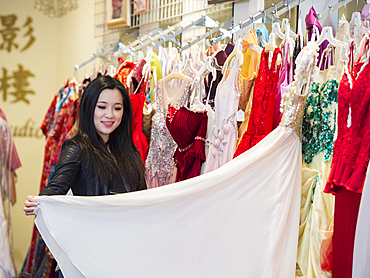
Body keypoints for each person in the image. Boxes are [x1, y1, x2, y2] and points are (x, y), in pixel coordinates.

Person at [23, 75, 147, 277]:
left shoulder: (130, 152)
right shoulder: (77, 147)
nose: (110, 115)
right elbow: (55, 191)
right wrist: (39, 202)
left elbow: (143, 199)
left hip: (125, 253)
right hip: (88, 258)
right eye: (102, 107)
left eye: (117, 108)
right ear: (89, 108)